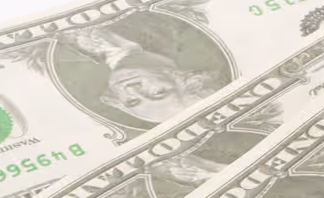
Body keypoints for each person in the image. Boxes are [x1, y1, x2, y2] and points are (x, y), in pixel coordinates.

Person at [63, 25, 224, 125]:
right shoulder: (173, 29)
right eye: (158, 92)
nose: (132, 89)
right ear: (184, 79)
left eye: (132, 101)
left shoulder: (67, 62)